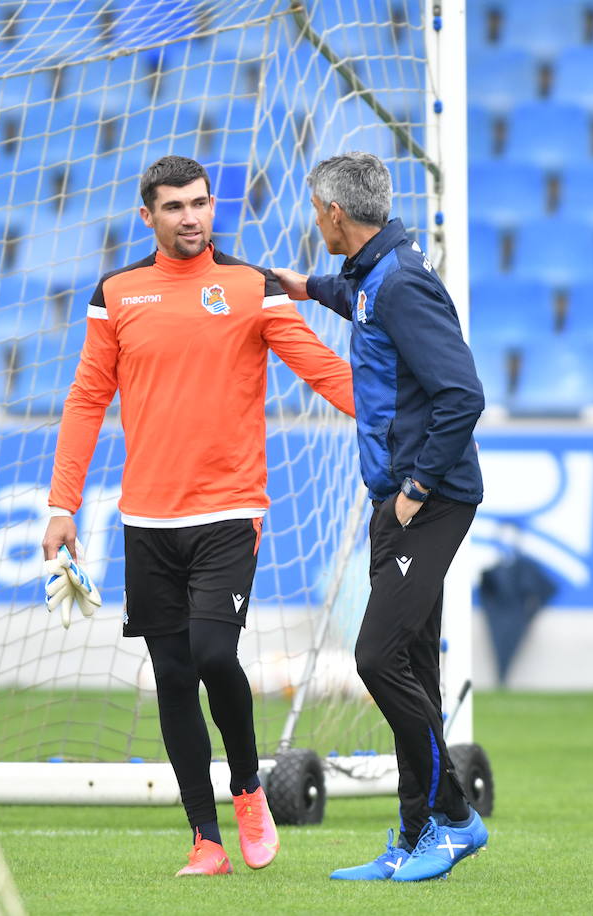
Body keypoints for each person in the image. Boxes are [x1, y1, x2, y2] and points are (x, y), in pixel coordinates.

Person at [42, 155, 356, 876]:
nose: (191, 217)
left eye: (201, 203)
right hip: (147, 520)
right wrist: (62, 504)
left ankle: (249, 790)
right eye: (175, 207)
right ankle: (205, 839)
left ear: (213, 208)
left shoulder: (252, 286)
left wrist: (401, 420)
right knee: (174, 676)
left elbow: (319, 368)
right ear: (147, 215)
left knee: (216, 655)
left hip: (229, 510)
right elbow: (88, 399)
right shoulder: (116, 293)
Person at [271, 151, 488, 882]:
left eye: (316, 208)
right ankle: (415, 831)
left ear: (336, 213)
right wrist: (301, 287)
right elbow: (356, 297)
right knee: (413, 664)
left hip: (427, 501)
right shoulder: (377, 270)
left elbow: (463, 393)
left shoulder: (399, 284)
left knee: (376, 658)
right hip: (398, 499)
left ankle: (454, 821)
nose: (314, 219)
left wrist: (417, 488)